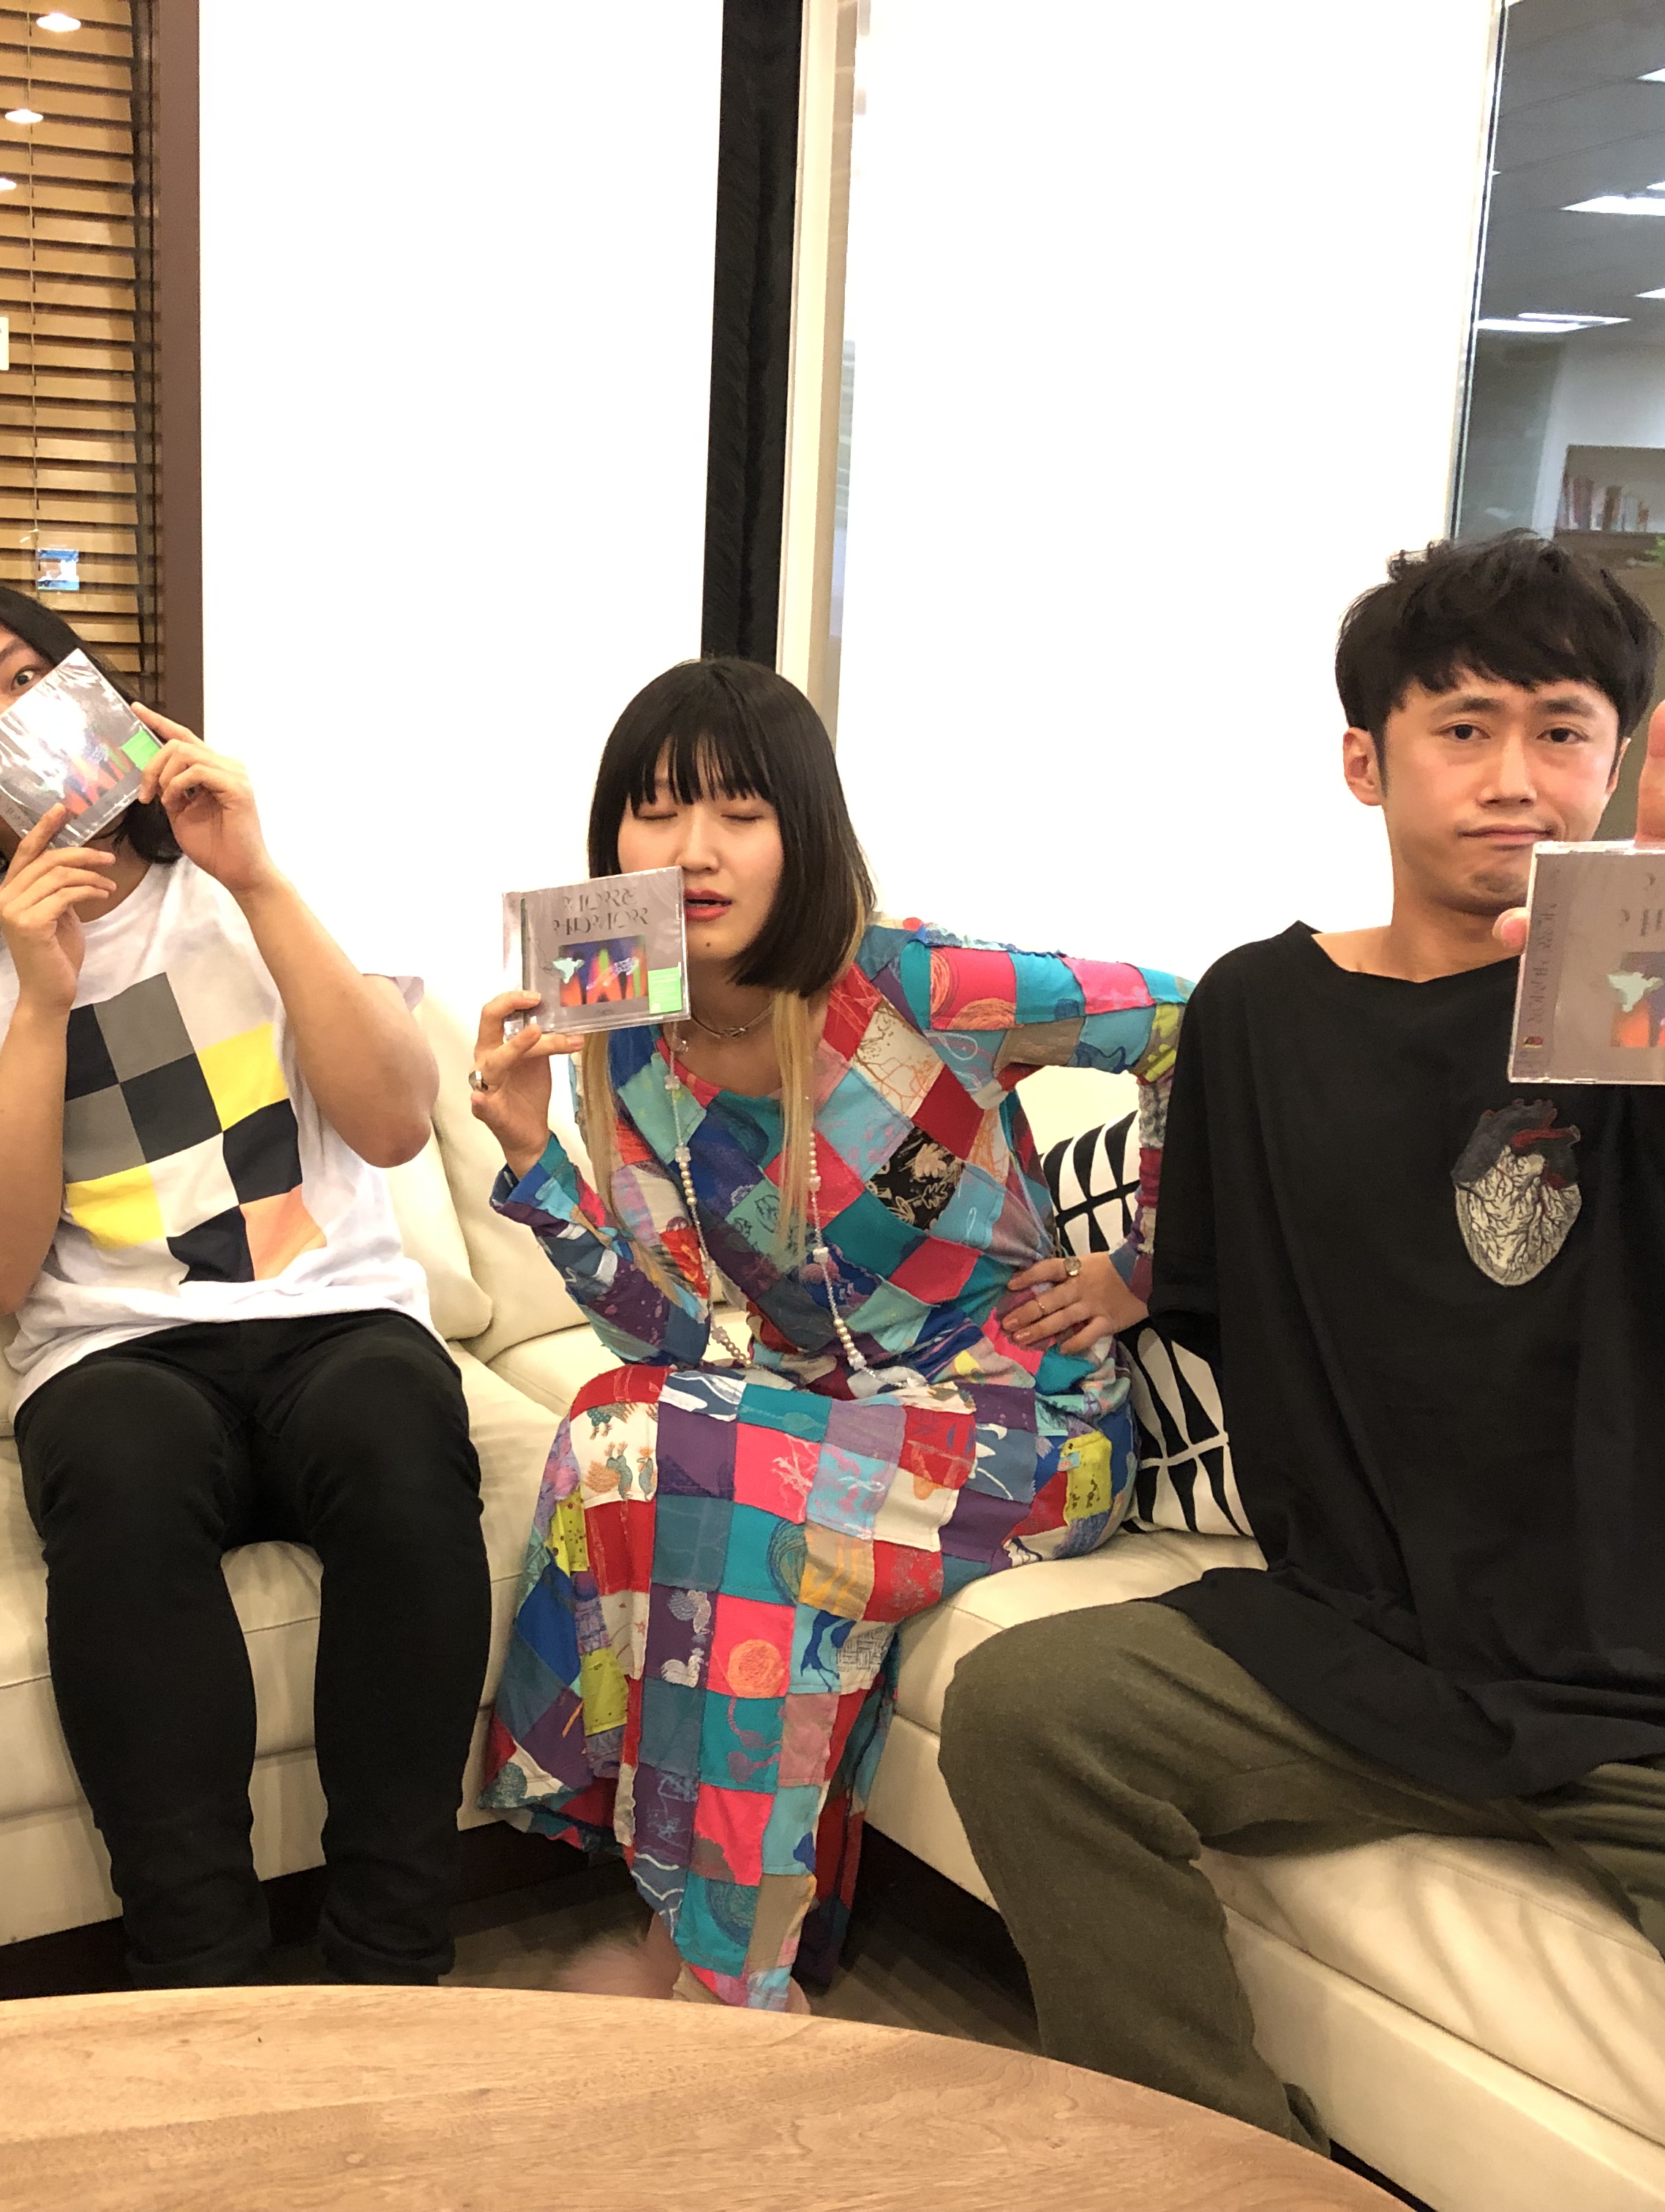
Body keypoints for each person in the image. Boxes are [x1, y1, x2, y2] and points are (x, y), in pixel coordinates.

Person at [938, 534, 1665, 2211]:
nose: (1515, 778)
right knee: (1028, 1711)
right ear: (1367, 760)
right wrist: (1111, 1284)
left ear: (1613, 762)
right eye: (1465, 728)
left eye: (1562, 732)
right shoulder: (1258, 1012)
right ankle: (1221, 2172)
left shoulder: (1633, 1004)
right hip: (1377, 1634)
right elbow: (1221, 1276)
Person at [466, 657, 1189, 2010]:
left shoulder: (922, 985)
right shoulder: (631, 1031)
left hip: (1023, 1429)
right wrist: (533, 1160)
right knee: (622, 1427)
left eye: (739, 811)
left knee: (716, 1467)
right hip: (824, 1420)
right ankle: (717, 1945)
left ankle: (724, 1979)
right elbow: (669, 1334)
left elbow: (1193, 1022)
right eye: (656, 809)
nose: (692, 850)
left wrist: (1149, 1265)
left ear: (804, 831)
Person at [0, 577, 489, 1990]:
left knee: (400, 1436)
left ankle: (393, 1963)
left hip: (331, 1319)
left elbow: (396, 1126)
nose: (5, 727)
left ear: (95, 694)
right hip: (117, 1354)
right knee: (119, 1474)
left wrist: (255, 879)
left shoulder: (254, 875)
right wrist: (39, 994)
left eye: (28, 681)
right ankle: (196, 1976)